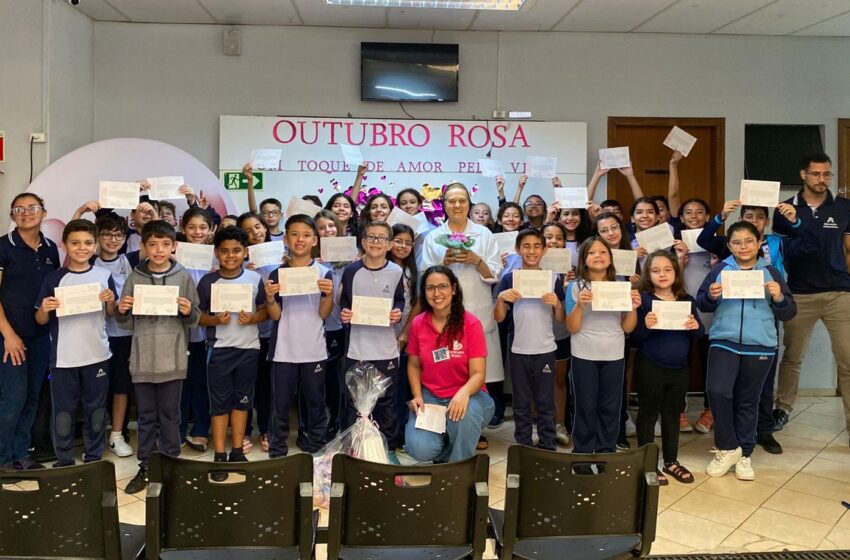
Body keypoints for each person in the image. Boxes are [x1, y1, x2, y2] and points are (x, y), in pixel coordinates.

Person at [697, 221, 796, 481]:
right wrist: (711, 295)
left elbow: (789, 312)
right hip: (723, 341)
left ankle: (745, 455)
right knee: (718, 391)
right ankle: (728, 447)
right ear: (729, 245)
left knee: (747, 400)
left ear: (759, 242)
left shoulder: (772, 272)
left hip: (760, 345)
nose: (743, 246)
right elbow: (703, 304)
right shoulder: (720, 269)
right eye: (737, 242)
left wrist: (779, 298)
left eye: (749, 241)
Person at [116, 220, 200, 494]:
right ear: (143, 247)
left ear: (174, 246)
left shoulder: (183, 276)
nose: (159, 249)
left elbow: (195, 319)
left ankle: (171, 464)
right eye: (152, 244)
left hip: (173, 359)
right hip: (142, 358)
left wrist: (188, 311)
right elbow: (123, 322)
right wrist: (123, 308)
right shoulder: (135, 277)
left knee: (170, 415)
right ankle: (147, 465)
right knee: (146, 416)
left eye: (165, 244)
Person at [771, 153, 850, 440]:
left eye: (827, 174)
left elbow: (848, 249)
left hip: (839, 293)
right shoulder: (785, 209)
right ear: (803, 174)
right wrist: (794, 224)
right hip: (800, 292)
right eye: (816, 174)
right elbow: (784, 252)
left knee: (848, 359)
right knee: (792, 357)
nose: (822, 179)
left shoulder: (844, 207)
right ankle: (783, 409)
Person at [421, 183, 503, 448]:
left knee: (478, 375)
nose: (457, 206)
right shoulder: (435, 236)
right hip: (443, 317)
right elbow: (425, 274)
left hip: (476, 312)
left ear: (469, 203)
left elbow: (496, 274)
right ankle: (443, 429)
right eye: (452, 201)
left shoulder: (484, 234)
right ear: (444, 205)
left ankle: (473, 428)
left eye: (462, 201)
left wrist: (476, 260)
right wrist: (443, 264)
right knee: (446, 370)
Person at [35, 219, 117, 467]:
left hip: (98, 355)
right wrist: (46, 309)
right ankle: (64, 458)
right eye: (75, 243)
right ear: (64, 245)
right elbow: (39, 319)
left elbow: (111, 314)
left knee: (97, 408)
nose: (82, 248)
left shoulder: (104, 275)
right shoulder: (54, 279)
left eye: (88, 243)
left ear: (95, 246)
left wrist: (110, 300)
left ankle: (93, 455)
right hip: (64, 358)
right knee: (63, 411)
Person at [404, 266, 495, 462]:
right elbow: (413, 365)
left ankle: (459, 467)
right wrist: (417, 395)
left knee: (464, 415)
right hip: (432, 397)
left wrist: (463, 393)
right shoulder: (418, 323)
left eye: (443, 286)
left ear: (454, 289)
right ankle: (450, 442)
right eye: (430, 288)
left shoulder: (470, 323)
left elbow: (478, 374)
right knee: (418, 448)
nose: (437, 293)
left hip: (471, 396)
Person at [196, 227, 267, 470]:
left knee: (242, 401)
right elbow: (198, 316)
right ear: (216, 253)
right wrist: (216, 320)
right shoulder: (208, 281)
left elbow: (265, 311)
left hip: (249, 350)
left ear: (246, 252)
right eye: (224, 251)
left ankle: (237, 451)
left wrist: (254, 318)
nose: (230, 256)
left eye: (236, 251)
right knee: (219, 404)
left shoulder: (255, 279)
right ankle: (219, 454)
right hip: (219, 351)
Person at [631, 250, 703, 485]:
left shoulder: (686, 300)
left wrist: (694, 326)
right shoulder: (644, 299)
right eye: (655, 270)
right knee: (648, 415)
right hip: (650, 366)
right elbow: (634, 338)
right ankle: (647, 463)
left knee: (672, 415)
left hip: (679, 368)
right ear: (648, 274)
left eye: (667, 269)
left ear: (676, 272)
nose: (662, 274)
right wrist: (646, 325)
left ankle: (671, 460)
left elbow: (699, 334)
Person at [265, 215, 334, 456]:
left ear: (315, 240)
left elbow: (324, 314)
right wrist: (270, 298)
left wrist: (329, 295)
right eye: (294, 234)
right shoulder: (277, 274)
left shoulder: (324, 273)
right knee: (280, 405)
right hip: (284, 350)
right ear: (286, 239)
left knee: (315, 402)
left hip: (314, 349)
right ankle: (277, 450)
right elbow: (275, 315)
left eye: (306, 235)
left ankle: (316, 447)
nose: (300, 239)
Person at [0, 192, 59, 470]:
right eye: (19, 209)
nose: (26, 213)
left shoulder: (50, 249)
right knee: (13, 398)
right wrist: (9, 336)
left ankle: (21, 453)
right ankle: (3, 458)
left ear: (43, 213)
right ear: (12, 216)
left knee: (33, 397)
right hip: (8, 338)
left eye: (33, 207)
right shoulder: (3, 247)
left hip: (39, 338)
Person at [565, 237, 640, 454]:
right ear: (584, 259)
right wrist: (580, 305)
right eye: (592, 253)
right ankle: (583, 452)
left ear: (610, 258)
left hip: (614, 356)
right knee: (585, 407)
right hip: (583, 356)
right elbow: (572, 327)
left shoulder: (620, 287)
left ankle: (607, 450)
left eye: (603, 252)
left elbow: (627, 328)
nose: (598, 256)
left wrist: (633, 308)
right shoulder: (575, 287)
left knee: (610, 407)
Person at [340, 220, 405, 462]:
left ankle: (386, 451)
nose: (376, 242)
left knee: (387, 404)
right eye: (371, 237)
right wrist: (345, 313)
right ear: (363, 242)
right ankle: (354, 451)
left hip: (386, 350)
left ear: (389, 244)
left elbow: (399, 301)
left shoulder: (396, 271)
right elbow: (344, 303)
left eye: (381, 238)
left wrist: (397, 312)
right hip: (357, 348)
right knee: (354, 402)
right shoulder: (351, 271)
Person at [494, 229, 565, 450]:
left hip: (545, 348)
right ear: (518, 249)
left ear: (544, 250)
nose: (531, 251)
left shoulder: (552, 278)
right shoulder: (509, 278)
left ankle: (547, 444)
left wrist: (557, 303)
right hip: (518, 349)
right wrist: (500, 299)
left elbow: (561, 319)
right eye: (526, 246)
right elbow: (499, 317)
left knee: (545, 401)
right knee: (521, 402)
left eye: (536, 246)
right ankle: (523, 445)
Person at [93, 214, 135, 458]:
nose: (112, 239)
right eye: (107, 234)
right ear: (98, 236)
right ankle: (96, 434)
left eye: (118, 235)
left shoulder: (128, 261)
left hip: (124, 334)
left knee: (121, 386)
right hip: (95, 335)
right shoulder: (88, 261)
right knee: (97, 388)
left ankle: (117, 434)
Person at [179, 207, 215, 452]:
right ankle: (177, 430)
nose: (197, 232)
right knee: (179, 384)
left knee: (202, 383)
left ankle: (201, 430)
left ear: (211, 230)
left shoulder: (217, 258)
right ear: (183, 229)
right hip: (177, 333)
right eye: (191, 227)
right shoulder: (174, 256)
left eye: (202, 227)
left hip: (204, 333)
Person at [388, 224, 421, 449]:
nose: (403, 246)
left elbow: (417, 303)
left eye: (408, 242)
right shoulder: (381, 267)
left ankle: (399, 433)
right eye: (398, 241)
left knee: (402, 386)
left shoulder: (412, 271)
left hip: (404, 335)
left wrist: (406, 332)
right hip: (380, 334)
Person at [541, 222, 573, 446]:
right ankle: (539, 424)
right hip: (534, 336)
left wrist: (568, 285)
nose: (553, 241)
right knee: (537, 380)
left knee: (559, 379)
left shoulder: (571, 269)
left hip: (560, 332)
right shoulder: (529, 267)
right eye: (548, 237)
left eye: (558, 238)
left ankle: (560, 423)